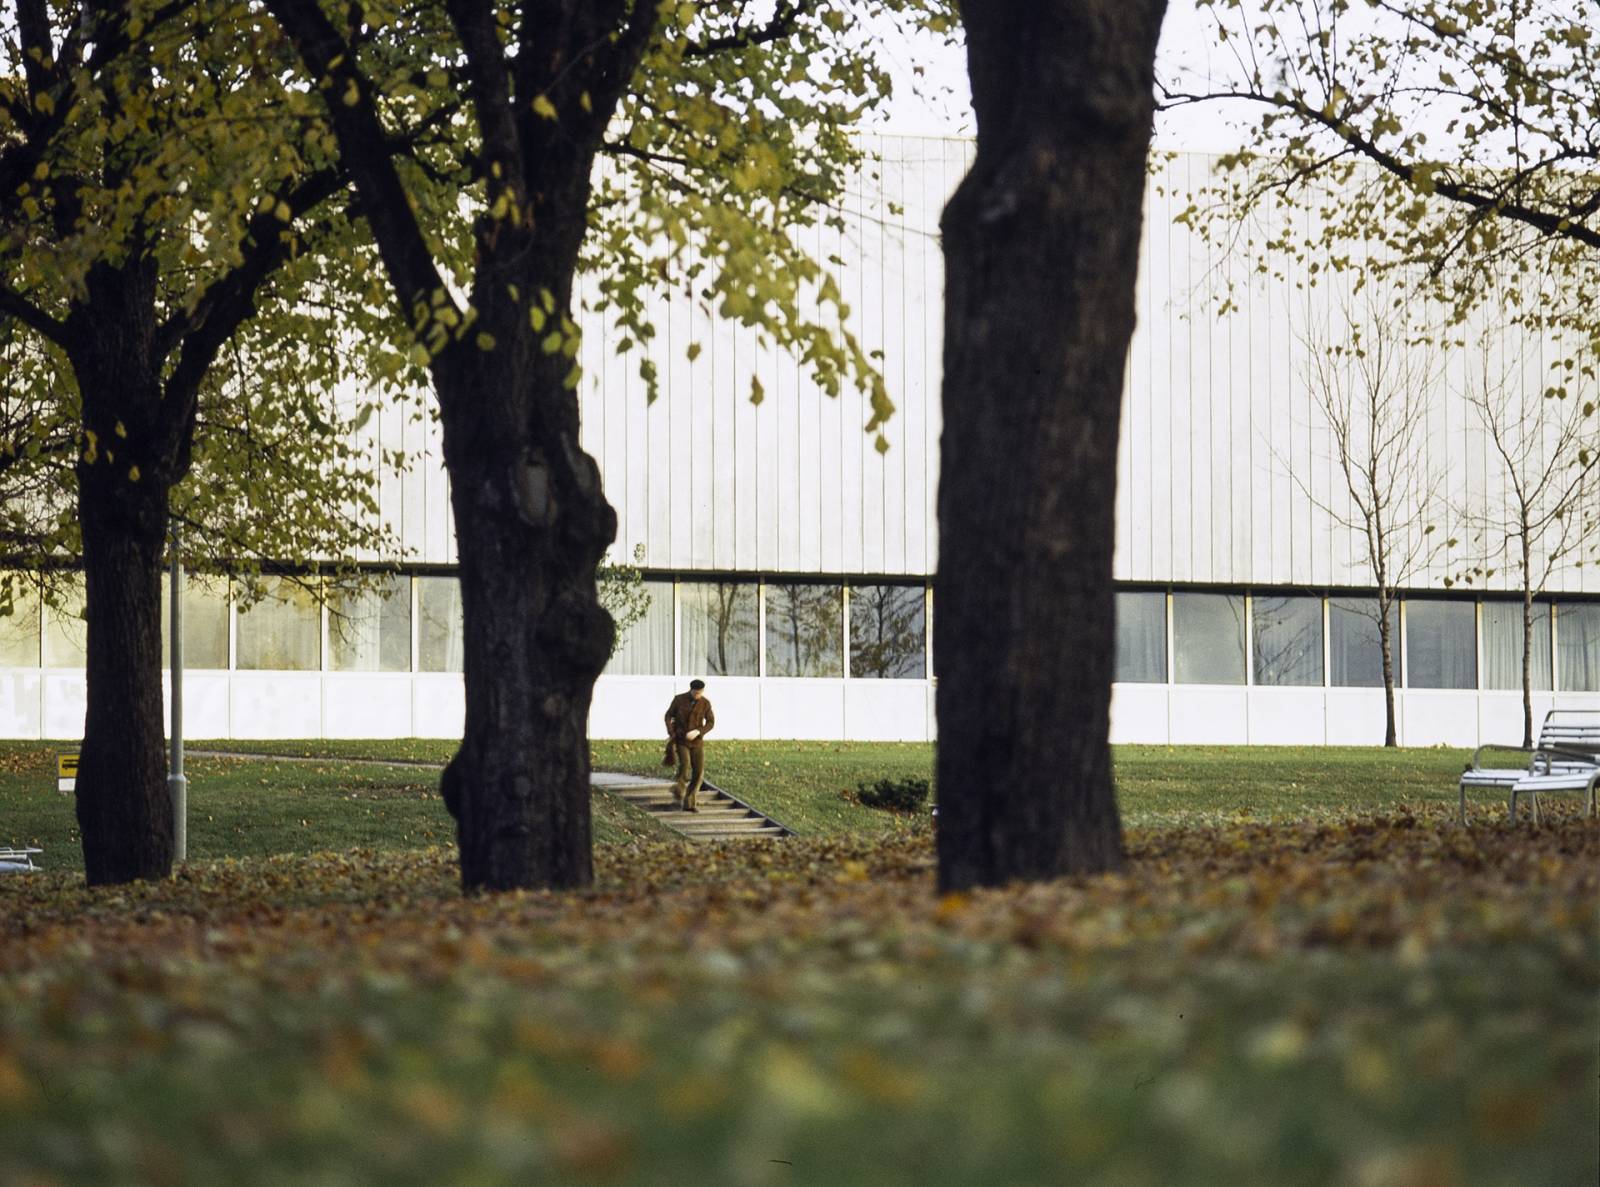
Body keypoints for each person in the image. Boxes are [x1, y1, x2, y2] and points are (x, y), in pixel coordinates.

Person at [663, 679, 715, 811]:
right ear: (691, 690)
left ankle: (690, 803)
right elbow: (668, 716)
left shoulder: (705, 703)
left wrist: (699, 731)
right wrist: (671, 732)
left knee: (698, 771)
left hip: (697, 741)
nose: (698, 695)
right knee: (685, 764)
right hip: (681, 739)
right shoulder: (679, 700)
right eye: (696, 693)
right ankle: (679, 790)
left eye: (700, 693)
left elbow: (710, 722)